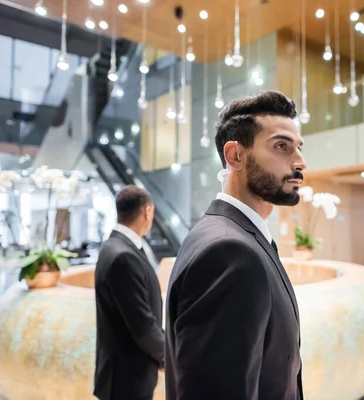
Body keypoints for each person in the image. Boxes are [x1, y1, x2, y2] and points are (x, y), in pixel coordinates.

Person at [165, 91, 306, 400]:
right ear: (236, 156)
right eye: (282, 146)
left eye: (298, 148)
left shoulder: (235, 235)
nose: (299, 162)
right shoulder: (229, 252)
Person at [94, 185, 164, 400]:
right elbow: (142, 325)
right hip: (127, 378)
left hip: (123, 373)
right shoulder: (123, 256)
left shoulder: (113, 246)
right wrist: (170, 358)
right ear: (147, 211)